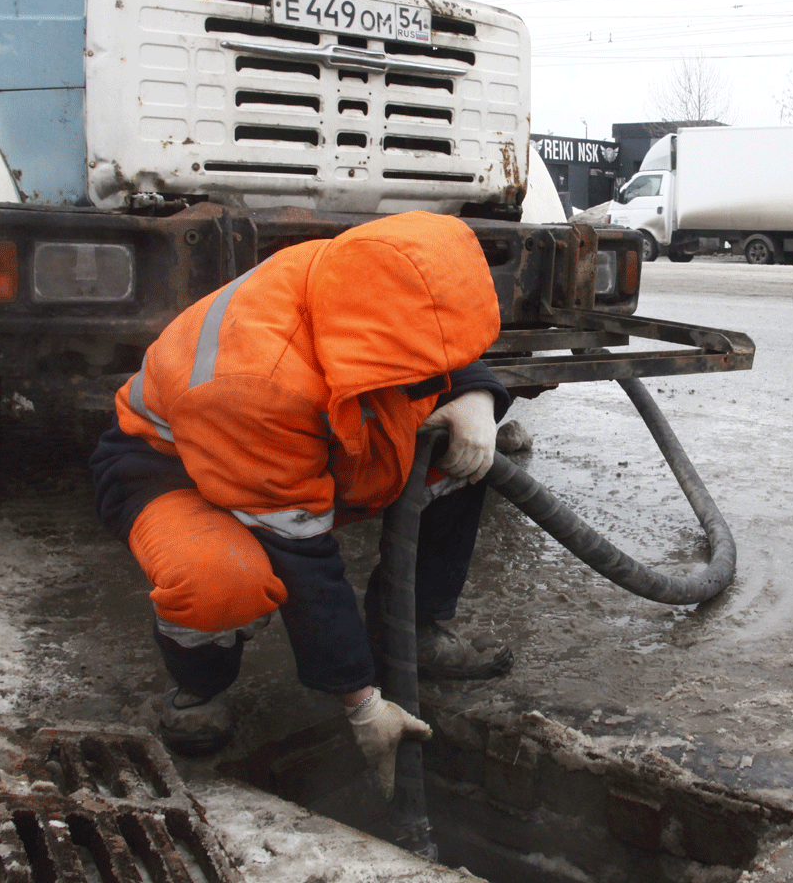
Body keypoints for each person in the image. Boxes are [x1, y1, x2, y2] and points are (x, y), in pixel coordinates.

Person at [90, 211, 514, 792]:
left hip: (300, 424)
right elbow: (305, 560)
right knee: (221, 579)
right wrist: (362, 703)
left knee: (457, 463)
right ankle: (199, 688)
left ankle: (412, 630)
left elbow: (437, 324)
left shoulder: (352, 272)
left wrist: (477, 396)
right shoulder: (252, 383)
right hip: (174, 465)